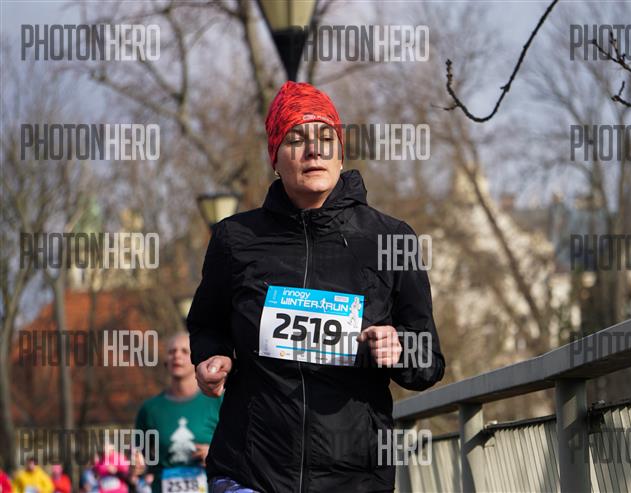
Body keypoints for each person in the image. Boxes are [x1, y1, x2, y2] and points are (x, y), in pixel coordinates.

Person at [187, 81, 445, 493]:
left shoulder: (390, 238)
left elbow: (428, 360)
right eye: (296, 140)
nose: (314, 151)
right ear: (275, 157)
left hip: (354, 477)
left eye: (326, 138)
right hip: (251, 470)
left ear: (341, 154)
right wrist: (211, 356)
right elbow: (206, 324)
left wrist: (399, 349)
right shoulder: (235, 239)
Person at [135, 332, 221, 493]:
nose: (177, 356)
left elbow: (239, 449)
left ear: (197, 358)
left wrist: (215, 454)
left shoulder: (217, 401)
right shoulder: (150, 409)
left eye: (184, 351)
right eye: (171, 351)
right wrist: (136, 465)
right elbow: (140, 457)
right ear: (165, 361)